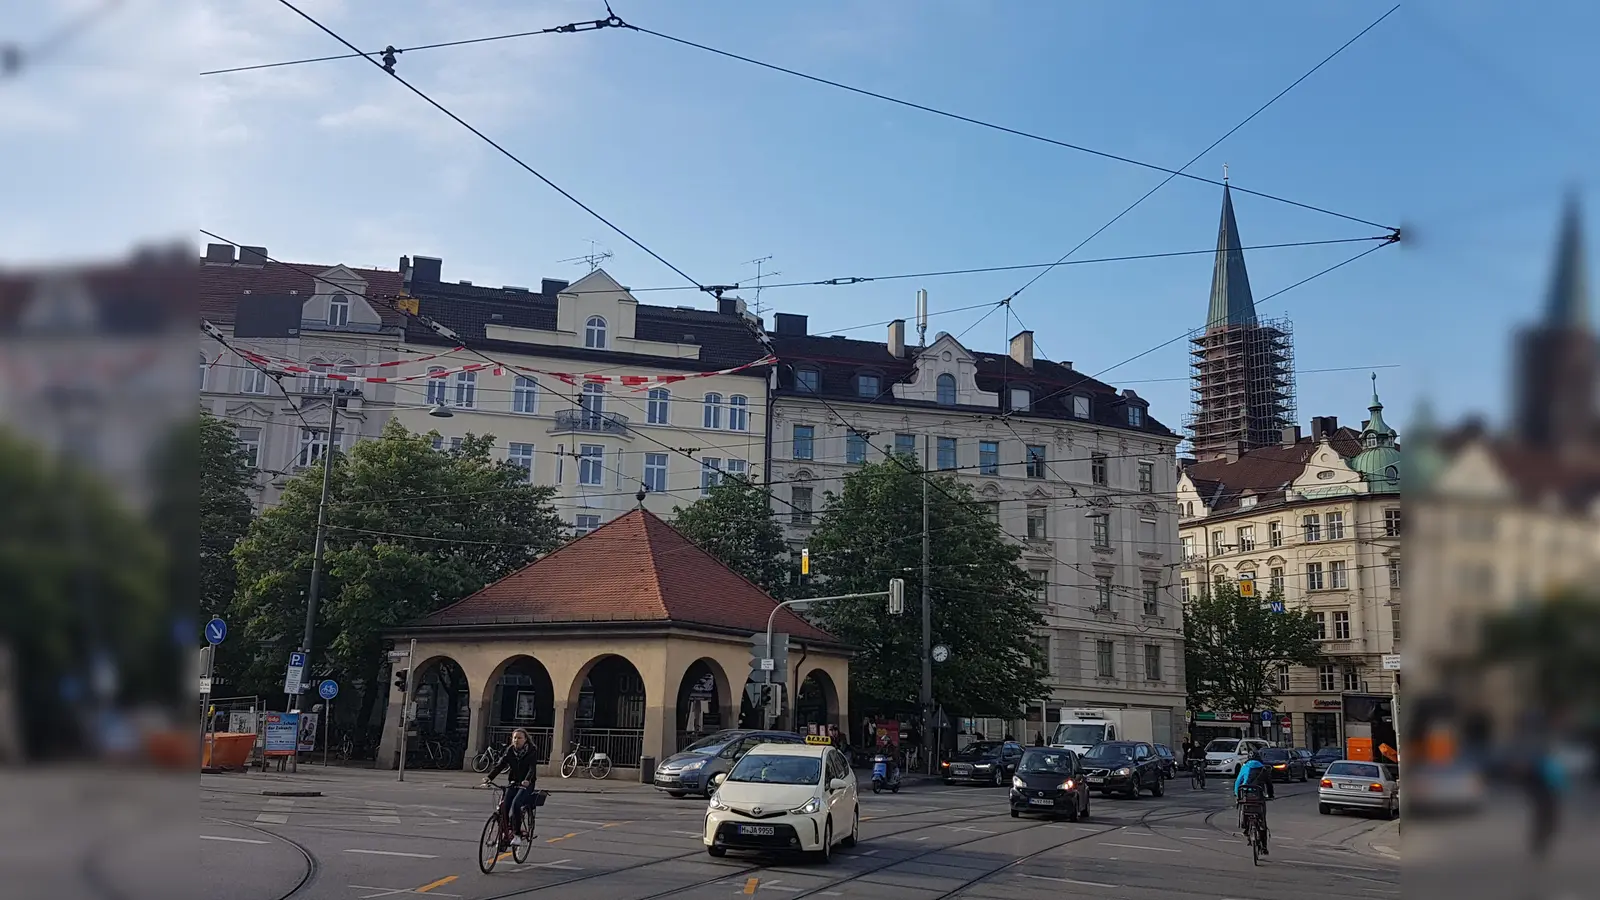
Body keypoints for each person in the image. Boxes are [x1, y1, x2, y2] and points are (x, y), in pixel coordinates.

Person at [482, 728, 537, 850]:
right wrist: (489, 777)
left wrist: (527, 780)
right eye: (514, 738)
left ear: (525, 739)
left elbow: (532, 768)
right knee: (504, 807)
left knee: (516, 804)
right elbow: (500, 765)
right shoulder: (510, 751)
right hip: (513, 782)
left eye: (519, 738)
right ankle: (504, 834)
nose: (516, 740)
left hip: (526, 784)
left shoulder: (531, 751)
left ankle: (516, 834)